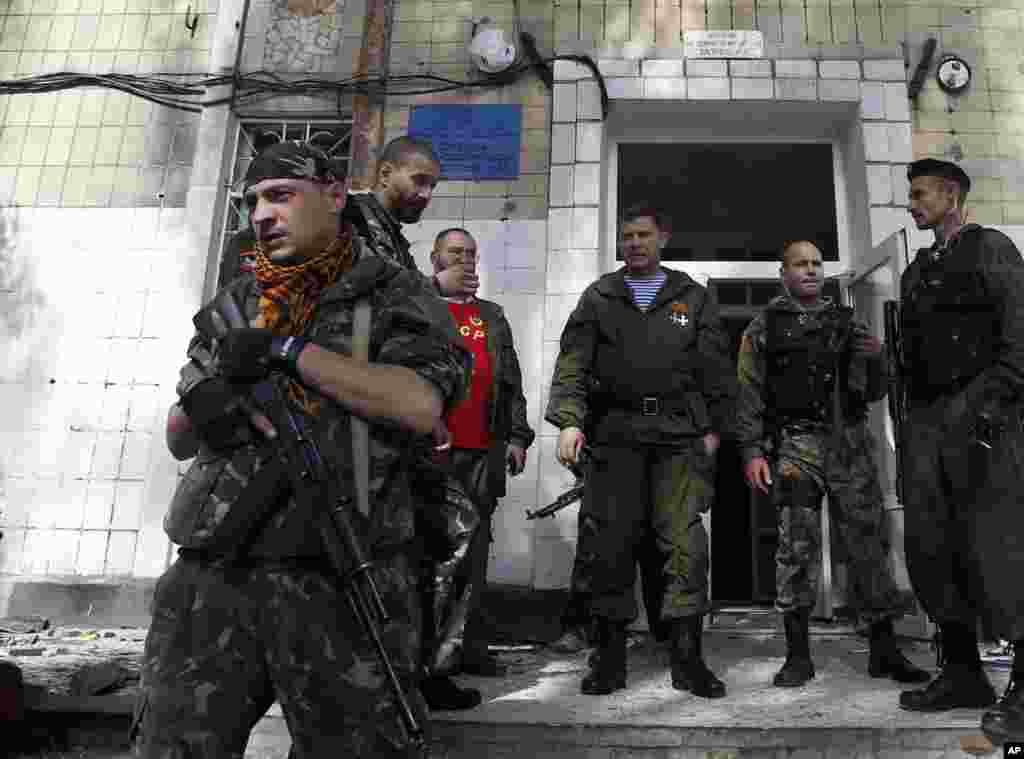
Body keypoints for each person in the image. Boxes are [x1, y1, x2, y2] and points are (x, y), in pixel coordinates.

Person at [138, 141, 470, 758]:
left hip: (340, 570)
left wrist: (287, 352)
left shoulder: (395, 294)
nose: (262, 214)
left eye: (281, 195)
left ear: (335, 196)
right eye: (252, 202)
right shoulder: (235, 303)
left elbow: (418, 404)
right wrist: (203, 400)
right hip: (215, 572)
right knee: (172, 746)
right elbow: (179, 440)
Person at [545, 203, 736, 698]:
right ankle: (607, 659)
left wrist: (715, 429)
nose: (634, 243)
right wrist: (569, 421)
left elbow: (715, 369)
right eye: (626, 236)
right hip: (614, 436)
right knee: (609, 546)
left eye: (643, 235)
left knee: (683, 547)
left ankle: (687, 659)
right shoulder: (599, 297)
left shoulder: (692, 297)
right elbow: (573, 363)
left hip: (677, 439)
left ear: (662, 238)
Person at [734, 239, 930, 688]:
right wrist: (752, 451)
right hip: (796, 446)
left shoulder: (848, 322)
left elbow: (875, 391)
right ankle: (797, 656)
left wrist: (877, 357)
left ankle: (884, 650)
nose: (810, 271)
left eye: (817, 264)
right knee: (795, 548)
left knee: (868, 544)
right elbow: (748, 393)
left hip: (849, 444)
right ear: (783, 273)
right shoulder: (763, 328)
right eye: (800, 264)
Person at [343, 135, 484, 711]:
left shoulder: (390, 239)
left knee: (448, 531)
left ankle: (422, 669)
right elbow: (357, 308)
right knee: (392, 549)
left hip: (398, 424)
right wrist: (433, 291)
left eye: (432, 185)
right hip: (357, 422)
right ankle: (386, 677)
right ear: (383, 174)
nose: (426, 194)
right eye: (417, 181)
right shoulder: (349, 222)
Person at [896, 159, 1024, 744]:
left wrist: (993, 407)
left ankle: (1022, 689)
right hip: (926, 424)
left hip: (980, 416)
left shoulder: (991, 249)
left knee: (997, 549)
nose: (912, 204)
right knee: (932, 547)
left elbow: (1020, 333)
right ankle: (962, 672)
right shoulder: (918, 269)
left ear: (951, 195)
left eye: (920, 195)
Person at [429, 227, 536, 676]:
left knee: (474, 556)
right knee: (429, 553)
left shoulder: (491, 316)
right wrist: (434, 292)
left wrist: (516, 436)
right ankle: (425, 658)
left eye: (471, 254)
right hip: (428, 455)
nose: (465, 261)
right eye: (455, 253)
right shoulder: (418, 305)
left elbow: (510, 380)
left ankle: (468, 649)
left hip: (481, 454)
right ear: (435, 258)